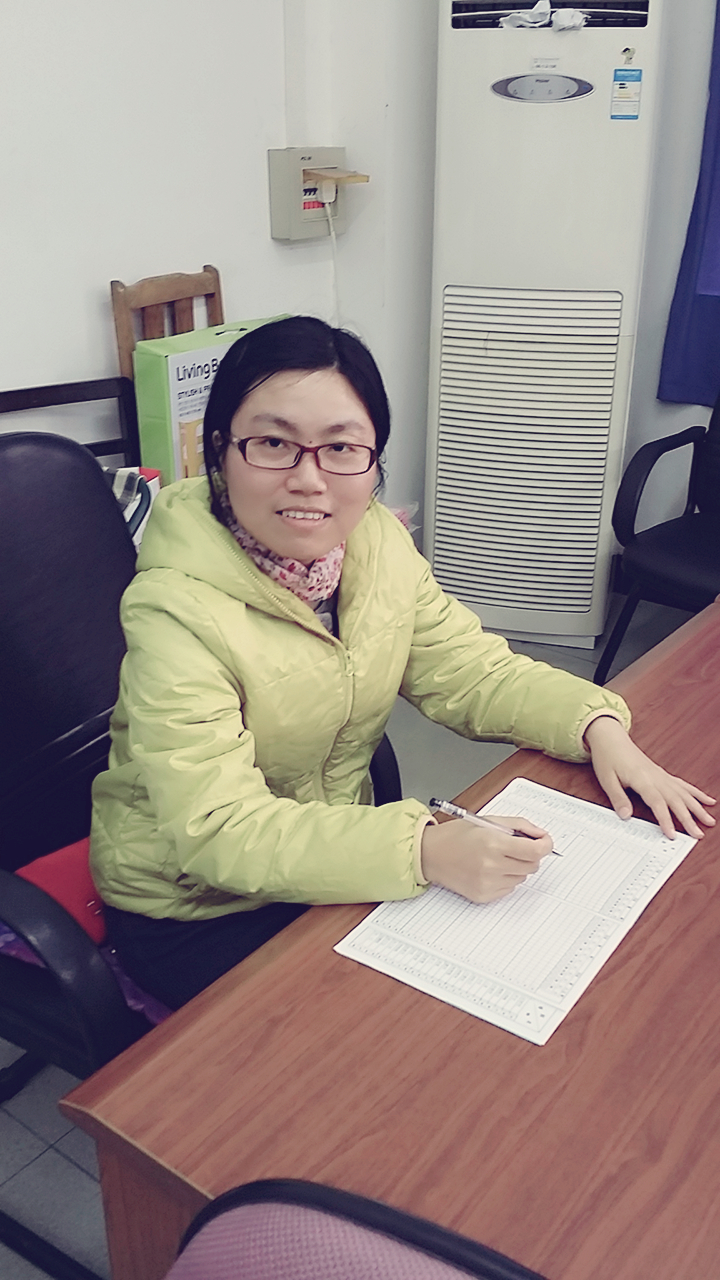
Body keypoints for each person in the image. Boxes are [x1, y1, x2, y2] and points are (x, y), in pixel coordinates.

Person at [91, 316, 715, 1009]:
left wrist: (596, 725)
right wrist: (423, 849)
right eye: (273, 444)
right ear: (220, 451)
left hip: (331, 855)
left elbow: (471, 671)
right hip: (197, 904)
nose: (308, 479)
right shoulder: (174, 608)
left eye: (340, 448)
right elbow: (217, 830)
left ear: (373, 461)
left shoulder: (376, 545)